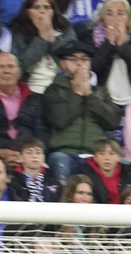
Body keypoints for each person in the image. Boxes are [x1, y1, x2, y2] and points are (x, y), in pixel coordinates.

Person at [44, 41, 122, 179]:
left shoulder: (101, 92)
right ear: (62, 64)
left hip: (96, 155)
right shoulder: (54, 90)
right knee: (61, 165)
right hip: (64, 152)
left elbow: (113, 121)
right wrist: (78, 94)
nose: (79, 63)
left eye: (84, 59)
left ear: (90, 64)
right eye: (73, 59)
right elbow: (59, 120)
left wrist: (90, 96)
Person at [85, 0, 131, 109]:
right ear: (103, 18)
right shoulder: (92, 36)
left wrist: (123, 46)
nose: (115, 19)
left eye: (120, 14)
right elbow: (90, 69)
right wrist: (109, 43)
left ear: (129, 18)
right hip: (103, 101)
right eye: (109, 14)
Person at [0, 48, 43, 162]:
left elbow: (42, 132)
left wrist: (29, 154)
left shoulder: (33, 98)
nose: (6, 71)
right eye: (1, 67)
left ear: (19, 73)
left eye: (10, 66)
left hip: (27, 157)